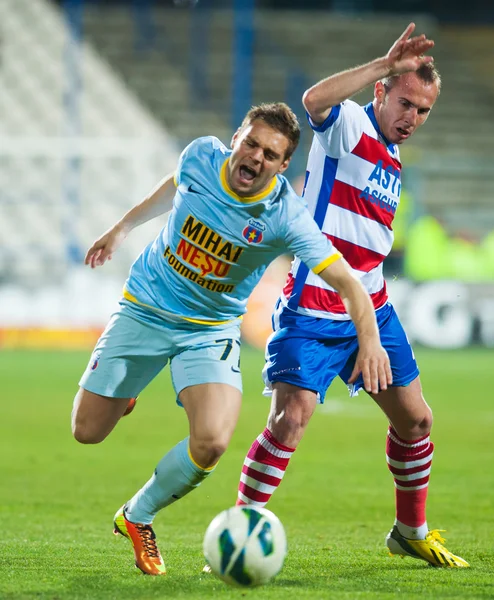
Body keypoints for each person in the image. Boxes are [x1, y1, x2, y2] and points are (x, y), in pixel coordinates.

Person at [71, 102, 392, 576]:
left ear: (284, 166)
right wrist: (122, 228)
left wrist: (370, 340)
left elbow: (348, 282)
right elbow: (176, 186)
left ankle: (137, 516)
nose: (256, 157)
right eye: (252, 144)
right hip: (145, 309)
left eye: (270, 154)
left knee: (212, 442)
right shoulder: (201, 155)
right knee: (87, 432)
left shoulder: (286, 216)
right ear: (236, 139)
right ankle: (127, 392)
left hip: (210, 330)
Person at [235, 24, 469, 568]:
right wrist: (384, 65)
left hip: (374, 307)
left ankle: (411, 531)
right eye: (405, 102)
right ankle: (240, 533)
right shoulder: (351, 127)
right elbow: (314, 100)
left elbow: (369, 244)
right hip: (315, 304)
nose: (412, 118)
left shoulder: (392, 156)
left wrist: (372, 329)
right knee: (290, 420)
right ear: (382, 93)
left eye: (424, 111)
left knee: (416, 422)